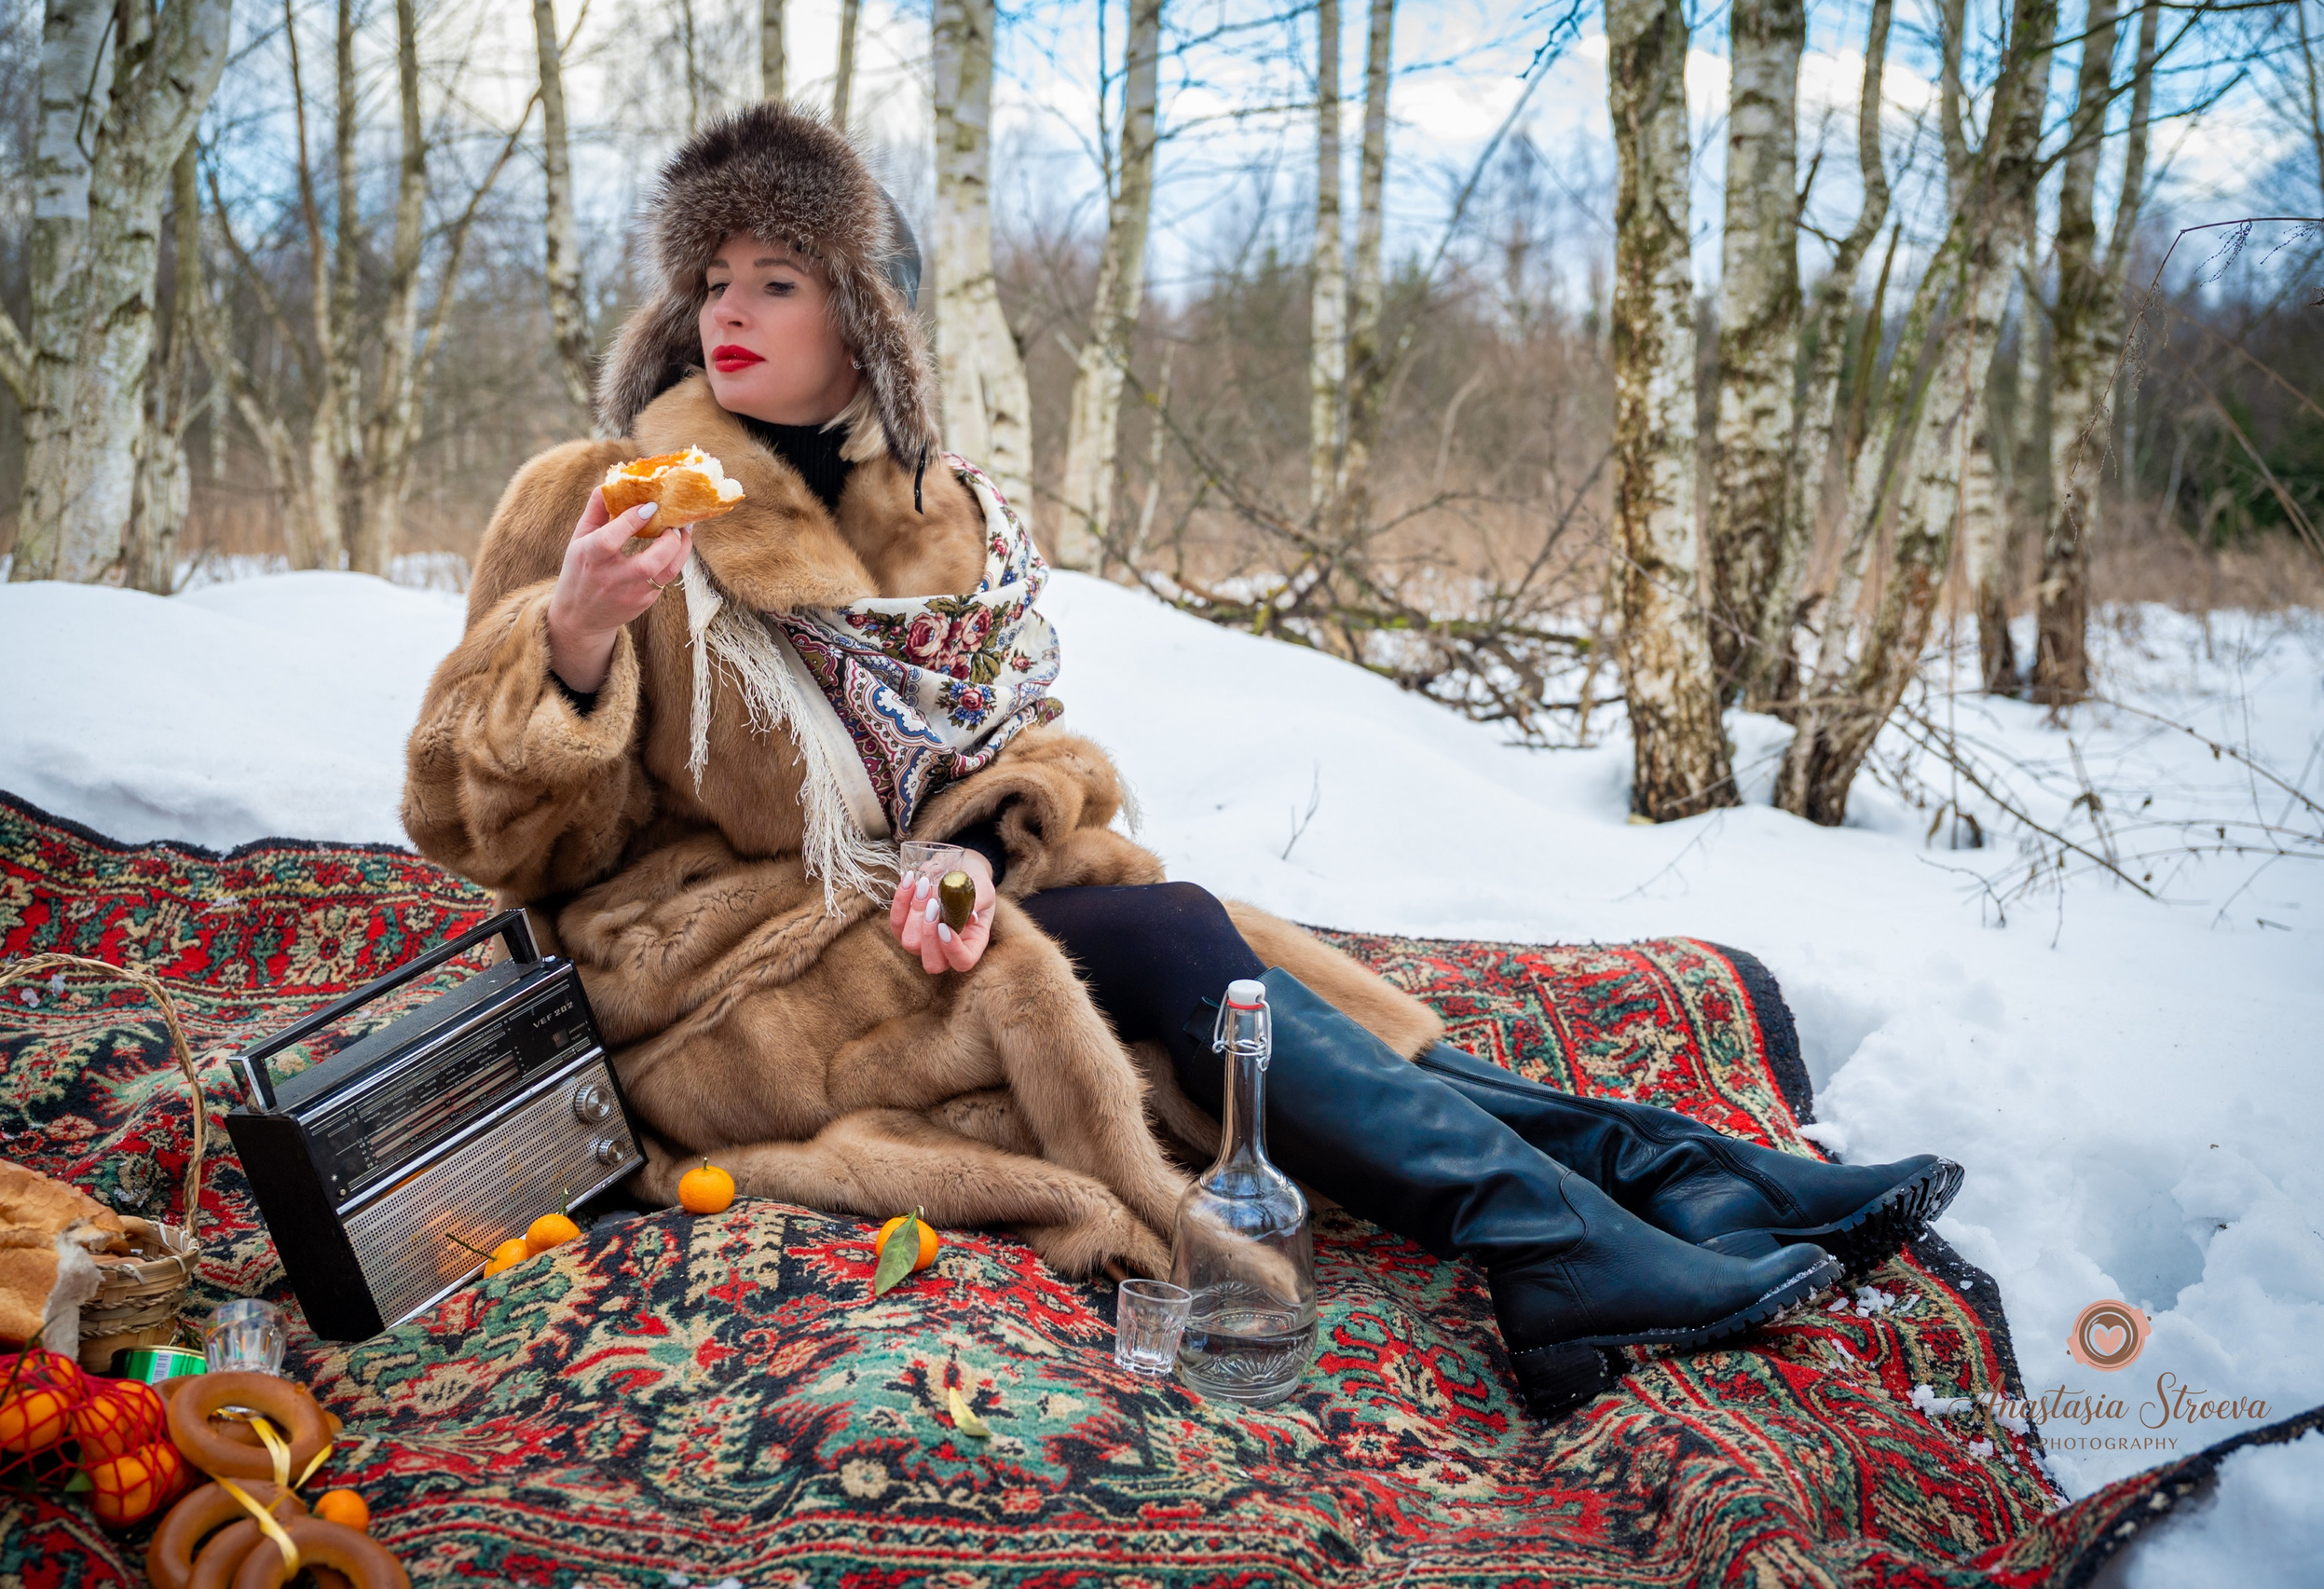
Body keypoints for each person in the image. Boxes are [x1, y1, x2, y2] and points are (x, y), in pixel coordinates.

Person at [403, 104, 1962, 1418]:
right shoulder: (603, 502)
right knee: (1162, 942)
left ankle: (1661, 1184)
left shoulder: (938, 514)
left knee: (1192, 936)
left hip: (901, 909)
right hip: (727, 974)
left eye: (780, 278)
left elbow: (1013, 748)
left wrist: (970, 848)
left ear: (867, 316)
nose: (728, 312)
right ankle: (1576, 1232)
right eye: (711, 280)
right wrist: (580, 646)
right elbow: (489, 835)